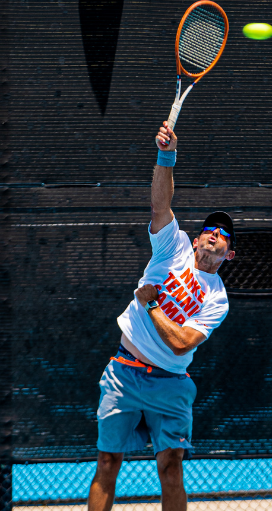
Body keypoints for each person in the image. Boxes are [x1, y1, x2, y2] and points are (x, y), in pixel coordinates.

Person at [87, 122, 235, 511]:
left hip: (171, 384)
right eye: (210, 229)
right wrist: (166, 155)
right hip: (124, 371)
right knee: (108, 463)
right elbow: (160, 204)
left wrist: (151, 305)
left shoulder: (217, 298)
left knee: (171, 469)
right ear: (197, 237)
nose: (215, 235)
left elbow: (181, 343)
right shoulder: (174, 245)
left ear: (229, 253)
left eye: (223, 235)